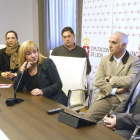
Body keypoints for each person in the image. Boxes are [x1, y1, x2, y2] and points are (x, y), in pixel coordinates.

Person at [85, 32, 140, 122]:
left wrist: (109, 78)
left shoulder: (134, 61)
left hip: (123, 99)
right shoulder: (105, 59)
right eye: (109, 42)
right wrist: (115, 90)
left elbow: (131, 81)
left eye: (114, 43)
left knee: (106, 124)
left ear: (123, 45)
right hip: (105, 96)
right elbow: (98, 81)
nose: (110, 45)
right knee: (87, 117)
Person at [98, 43, 140, 139]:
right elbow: (128, 100)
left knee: (102, 136)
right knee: (96, 127)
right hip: (124, 120)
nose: (138, 54)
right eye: (138, 50)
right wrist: (113, 116)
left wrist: (119, 121)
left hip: (135, 129)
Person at [14, 40, 67, 106]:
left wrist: (43, 91)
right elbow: (17, 89)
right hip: (38, 102)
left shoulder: (47, 63)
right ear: (23, 56)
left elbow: (58, 84)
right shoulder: (25, 68)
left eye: (35, 52)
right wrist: (21, 71)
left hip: (54, 100)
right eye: (29, 54)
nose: (33, 55)